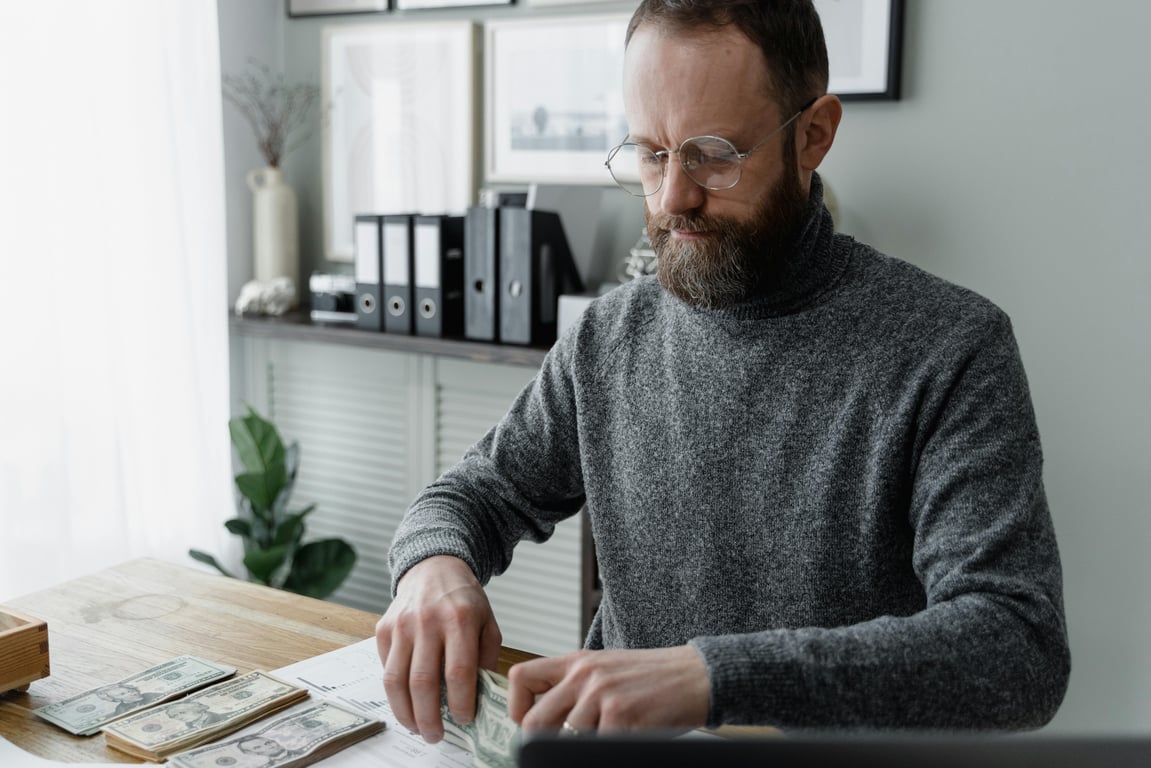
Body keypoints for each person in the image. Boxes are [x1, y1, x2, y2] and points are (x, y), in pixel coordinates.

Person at [376, 0, 1070, 742]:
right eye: (650, 152)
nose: (673, 196)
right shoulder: (607, 335)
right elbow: (474, 494)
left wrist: (711, 679)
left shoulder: (950, 347)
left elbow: (1015, 648)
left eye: (712, 152)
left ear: (813, 136)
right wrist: (432, 564)